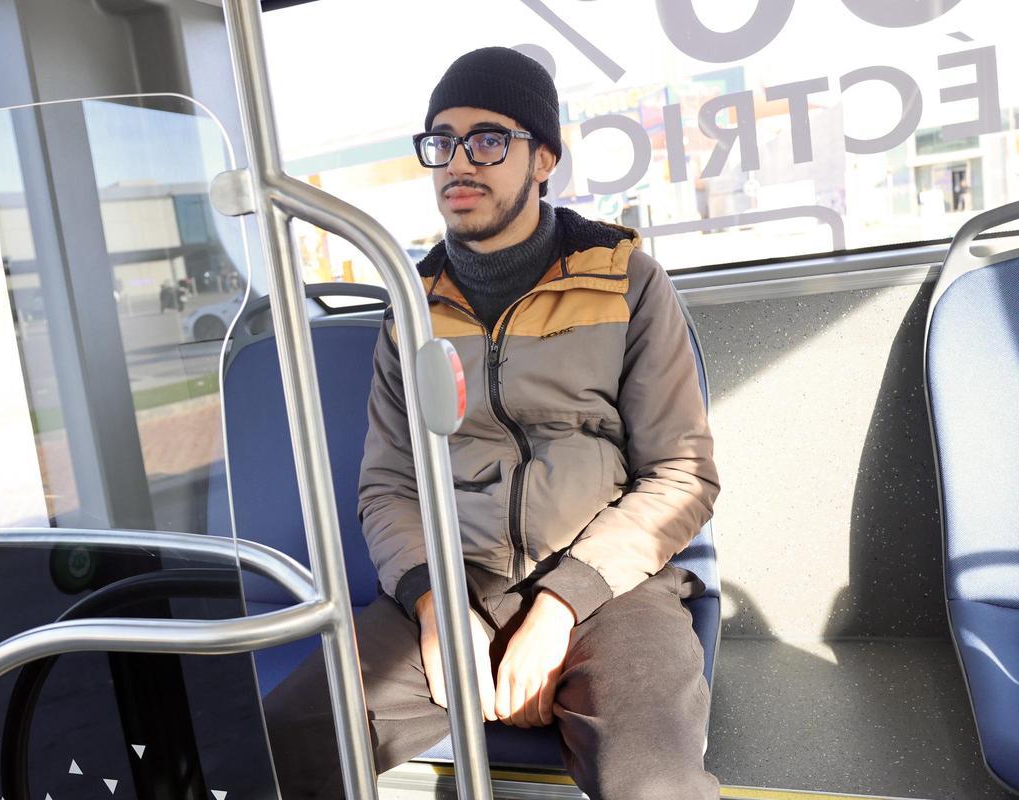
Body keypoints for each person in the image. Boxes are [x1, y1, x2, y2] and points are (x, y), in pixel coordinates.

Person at [263, 46, 720, 799]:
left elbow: (683, 474)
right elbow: (388, 484)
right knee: (283, 744)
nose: (456, 163)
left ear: (543, 158)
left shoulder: (624, 279)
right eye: (440, 142)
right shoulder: (411, 307)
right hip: (454, 577)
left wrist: (558, 608)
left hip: (608, 584)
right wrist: (436, 608)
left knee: (654, 780)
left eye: (487, 139)